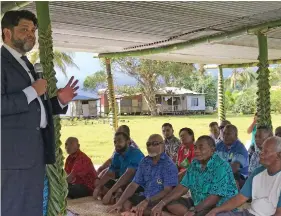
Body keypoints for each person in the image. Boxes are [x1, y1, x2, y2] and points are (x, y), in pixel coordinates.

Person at [1, 10, 78, 216]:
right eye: (24, 29)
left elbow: (33, 108)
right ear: (6, 33)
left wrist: (59, 101)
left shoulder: (26, 63)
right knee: (12, 208)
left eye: (33, 30)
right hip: (11, 157)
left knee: (32, 207)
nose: (31, 35)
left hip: (34, 153)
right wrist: (32, 90)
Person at [151, 136, 238, 216]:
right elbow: (182, 187)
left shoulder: (221, 166)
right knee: (169, 203)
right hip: (198, 203)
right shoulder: (194, 163)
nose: (196, 151)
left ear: (213, 150)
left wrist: (194, 210)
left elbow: (215, 197)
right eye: (195, 147)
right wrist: (161, 203)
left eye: (201, 148)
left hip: (218, 206)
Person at [207, 136, 281, 216]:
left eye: (265, 151)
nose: (260, 153)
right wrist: (216, 210)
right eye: (262, 149)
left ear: (279, 155)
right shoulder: (257, 172)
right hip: (250, 213)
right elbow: (240, 198)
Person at [108, 134, 178, 215]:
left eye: (155, 144)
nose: (150, 147)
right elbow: (134, 184)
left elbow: (167, 191)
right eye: (148, 144)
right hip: (145, 196)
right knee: (125, 203)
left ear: (163, 145)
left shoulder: (169, 165)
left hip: (160, 200)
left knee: (147, 211)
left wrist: (147, 201)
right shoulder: (144, 161)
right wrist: (118, 203)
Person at [93, 132, 144, 205]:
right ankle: (117, 195)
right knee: (104, 188)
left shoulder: (136, 154)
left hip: (138, 185)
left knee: (123, 203)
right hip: (125, 183)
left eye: (119, 141)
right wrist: (98, 187)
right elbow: (110, 173)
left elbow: (127, 175)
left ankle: (118, 196)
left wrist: (111, 191)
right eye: (115, 142)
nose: (116, 144)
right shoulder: (117, 154)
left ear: (128, 142)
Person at [216, 125, 249, 189]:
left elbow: (234, 168)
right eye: (224, 133)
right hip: (222, 176)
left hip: (239, 180)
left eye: (228, 134)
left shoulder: (240, 148)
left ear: (236, 135)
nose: (225, 136)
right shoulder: (219, 145)